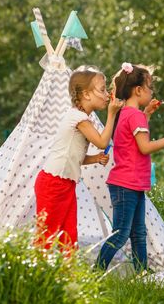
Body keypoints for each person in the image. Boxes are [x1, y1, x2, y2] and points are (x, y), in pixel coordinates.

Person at [97, 62, 164, 273]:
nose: (152, 91)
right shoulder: (134, 116)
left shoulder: (127, 113)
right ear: (138, 90)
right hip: (128, 184)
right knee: (121, 233)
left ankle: (142, 274)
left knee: (138, 233)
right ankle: (96, 272)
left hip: (129, 184)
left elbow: (132, 139)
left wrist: (147, 114)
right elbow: (144, 147)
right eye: (150, 86)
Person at [34, 65, 123, 253]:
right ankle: (37, 275)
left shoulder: (79, 117)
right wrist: (111, 114)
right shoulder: (79, 118)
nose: (107, 94)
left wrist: (96, 159)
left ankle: (68, 276)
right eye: (102, 90)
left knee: (68, 234)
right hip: (54, 183)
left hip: (64, 183)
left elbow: (74, 157)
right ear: (86, 94)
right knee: (48, 235)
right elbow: (101, 141)